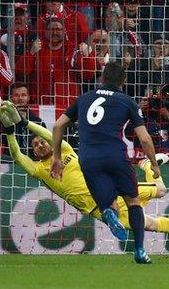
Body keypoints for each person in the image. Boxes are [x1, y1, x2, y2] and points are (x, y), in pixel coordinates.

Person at [0, 100, 169, 249]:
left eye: (41, 142)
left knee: (161, 191)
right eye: (35, 146)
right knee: (149, 225)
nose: (39, 145)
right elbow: (17, 155)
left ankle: (145, 165)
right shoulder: (39, 170)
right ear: (34, 153)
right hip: (97, 210)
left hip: (111, 192)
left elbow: (50, 132)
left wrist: (24, 123)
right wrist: (10, 132)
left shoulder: (62, 150)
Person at [50, 62, 160, 264]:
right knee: (133, 202)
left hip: (88, 158)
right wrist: (154, 164)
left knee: (109, 205)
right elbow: (144, 139)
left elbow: (58, 126)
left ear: (101, 78)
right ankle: (139, 250)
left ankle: (109, 212)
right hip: (115, 156)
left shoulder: (84, 99)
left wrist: (56, 157)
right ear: (123, 82)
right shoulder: (127, 102)